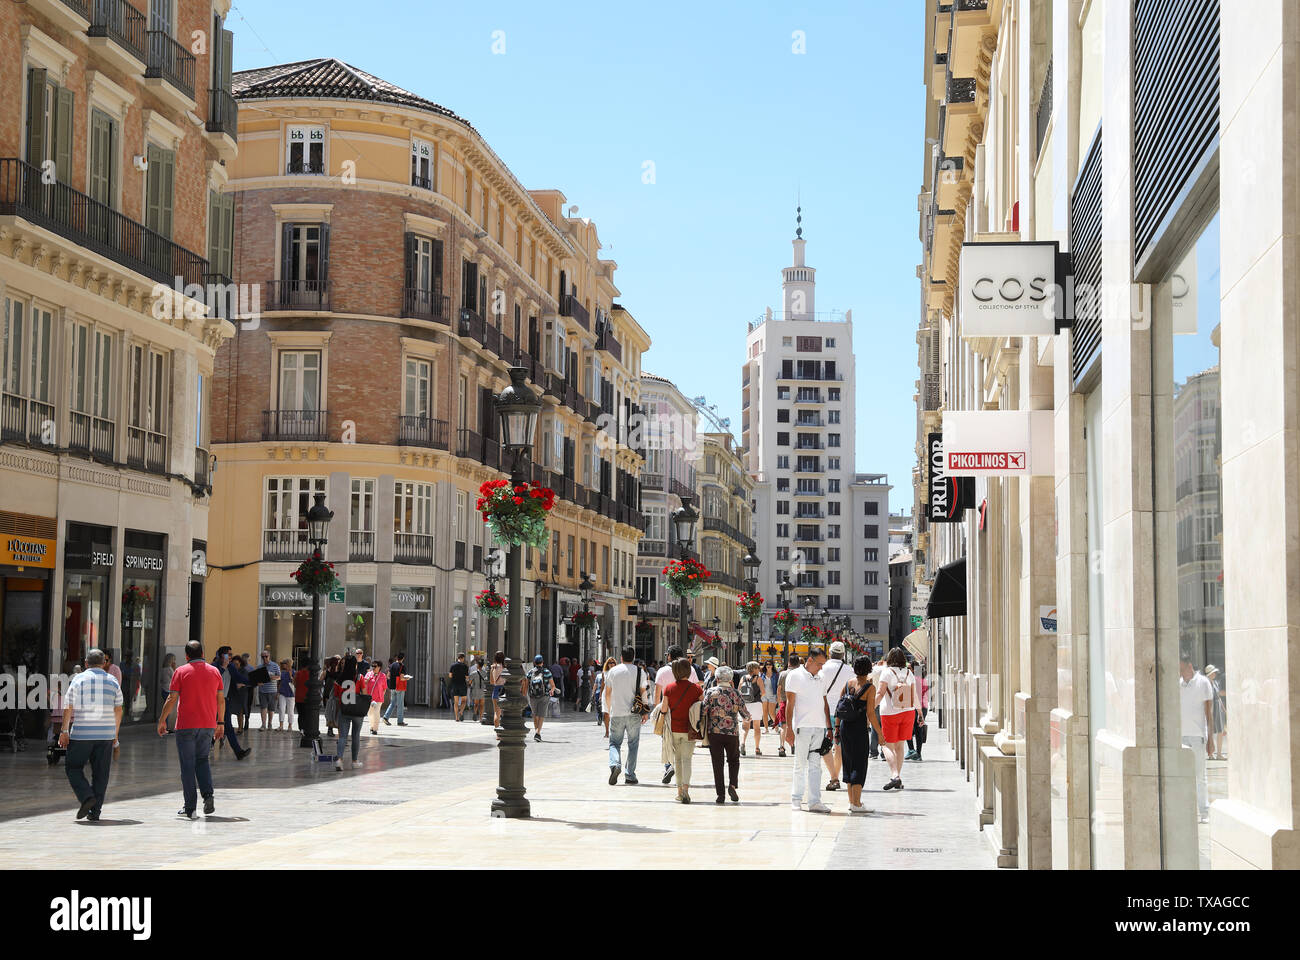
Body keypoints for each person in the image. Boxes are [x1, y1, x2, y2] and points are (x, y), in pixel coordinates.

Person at [156, 640, 226, 819]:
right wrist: (221, 723)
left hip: (186, 725)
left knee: (187, 765)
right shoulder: (215, 671)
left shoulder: (180, 671)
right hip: (208, 724)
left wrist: (162, 720)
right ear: (203, 652)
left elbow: (172, 699)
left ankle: (190, 807)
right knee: (202, 760)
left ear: (187, 656)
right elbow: (221, 700)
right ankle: (208, 796)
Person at [59, 649, 123, 822]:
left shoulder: (78, 679)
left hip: (82, 734)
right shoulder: (113, 681)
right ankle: (95, 812)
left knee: (73, 767)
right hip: (106, 735)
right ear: (104, 663)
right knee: (101, 774)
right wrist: (115, 735)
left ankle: (87, 797)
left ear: (86, 663)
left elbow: (68, 706)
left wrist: (64, 731)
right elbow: (118, 710)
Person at [784, 646, 831, 812]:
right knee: (800, 764)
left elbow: (824, 702)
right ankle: (796, 799)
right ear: (810, 660)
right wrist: (789, 728)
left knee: (816, 765)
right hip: (802, 727)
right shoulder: (795, 675)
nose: (821, 668)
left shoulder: (821, 676)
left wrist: (829, 726)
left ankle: (814, 801)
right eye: (819, 664)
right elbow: (790, 704)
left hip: (819, 727)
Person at [838, 657, 884, 813]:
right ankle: (857, 804)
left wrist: (837, 728)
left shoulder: (848, 684)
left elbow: (839, 707)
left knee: (848, 763)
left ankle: (852, 802)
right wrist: (880, 733)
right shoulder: (870, 688)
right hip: (859, 729)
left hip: (845, 728)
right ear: (868, 670)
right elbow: (871, 713)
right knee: (859, 764)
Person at [875, 648, 920, 791]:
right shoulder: (909, 673)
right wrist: (920, 712)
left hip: (889, 712)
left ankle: (895, 775)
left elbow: (880, 693)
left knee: (886, 745)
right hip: (908, 712)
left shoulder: (887, 672)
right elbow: (914, 694)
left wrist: (869, 709)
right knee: (900, 746)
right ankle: (898, 778)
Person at [660, 658, 704, 803]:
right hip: (689, 729)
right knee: (687, 759)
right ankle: (686, 789)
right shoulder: (697, 689)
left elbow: (664, 709)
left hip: (674, 729)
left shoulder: (669, 688)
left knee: (677, 760)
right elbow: (701, 707)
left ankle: (679, 791)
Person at [703, 666, 747, 804]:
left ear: (717, 679)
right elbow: (745, 713)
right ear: (730, 680)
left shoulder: (711, 692)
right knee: (733, 760)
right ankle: (732, 785)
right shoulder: (735, 693)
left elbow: (703, 710)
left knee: (717, 763)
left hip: (714, 732)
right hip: (732, 732)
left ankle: (720, 794)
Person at [1179, 653, 1214, 823]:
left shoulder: (1203, 683)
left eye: (1181, 668)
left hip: (1198, 736)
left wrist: (1211, 739)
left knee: (1200, 777)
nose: (1179, 672)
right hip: (1181, 737)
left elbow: (1209, 712)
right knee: (1182, 777)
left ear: (1189, 665)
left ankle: (1204, 812)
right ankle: (1185, 811)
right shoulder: (1178, 684)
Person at [604, 646, 646, 785]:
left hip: (616, 712)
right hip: (634, 713)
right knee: (633, 744)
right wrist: (645, 711)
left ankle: (615, 764)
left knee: (614, 743)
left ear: (621, 657)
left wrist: (609, 710)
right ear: (633, 657)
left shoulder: (613, 671)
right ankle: (630, 774)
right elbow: (643, 692)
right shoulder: (640, 671)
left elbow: (607, 693)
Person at [820, 641, 853, 791]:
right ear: (843, 654)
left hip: (825, 713)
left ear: (829, 653)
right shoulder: (849, 670)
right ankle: (836, 776)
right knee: (838, 748)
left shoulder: (823, 669)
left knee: (825, 747)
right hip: (843, 713)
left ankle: (833, 777)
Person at [653, 644, 685, 784]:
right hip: (684, 710)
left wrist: (656, 710)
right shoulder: (688, 669)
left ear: (669, 656)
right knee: (682, 740)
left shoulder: (662, 671)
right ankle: (679, 767)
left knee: (666, 739)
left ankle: (669, 766)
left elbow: (657, 692)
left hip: (667, 709)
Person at [334, 647, 369, 771]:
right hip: (357, 710)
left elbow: (336, 696)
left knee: (342, 736)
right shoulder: (359, 677)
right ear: (355, 665)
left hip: (344, 709)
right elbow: (364, 693)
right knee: (355, 736)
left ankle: (339, 760)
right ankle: (354, 761)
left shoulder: (339, 679)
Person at [213, 649, 249, 760]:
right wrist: (223, 667)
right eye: (228, 654)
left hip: (225, 701)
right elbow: (213, 678)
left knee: (227, 727)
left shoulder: (231, 667)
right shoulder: (214, 667)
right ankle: (238, 752)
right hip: (214, 701)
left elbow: (240, 678)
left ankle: (238, 752)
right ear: (221, 655)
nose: (231, 657)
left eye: (231, 655)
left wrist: (255, 681)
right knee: (214, 726)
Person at [524, 656, 557, 741]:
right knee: (541, 715)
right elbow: (553, 686)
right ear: (542, 662)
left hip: (532, 696)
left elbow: (526, 686)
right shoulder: (547, 672)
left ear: (534, 663)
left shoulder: (530, 672)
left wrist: (524, 695)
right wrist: (552, 691)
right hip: (544, 696)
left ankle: (536, 732)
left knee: (535, 715)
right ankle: (538, 733)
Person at [738, 661, 765, 756]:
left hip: (746, 705)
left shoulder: (743, 678)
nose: (759, 669)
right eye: (757, 668)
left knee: (745, 727)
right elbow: (763, 692)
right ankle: (757, 748)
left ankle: (742, 743)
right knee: (757, 727)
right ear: (754, 669)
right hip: (756, 704)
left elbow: (739, 690)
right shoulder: (759, 679)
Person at [776, 654, 801, 757]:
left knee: (784, 726)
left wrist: (779, 702)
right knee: (796, 725)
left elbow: (779, 689)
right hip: (797, 702)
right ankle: (794, 744)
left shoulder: (783, 674)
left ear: (789, 663)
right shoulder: (800, 674)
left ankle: (782, 747)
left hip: (784, 701)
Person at [906, 662, 931, 761]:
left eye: (909, 668)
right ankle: (918, 753)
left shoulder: (912, 680)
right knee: (918, 731)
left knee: (908, 729)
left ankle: (911, 750)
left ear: (912, 669)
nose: (907, 670)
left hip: (914, 707)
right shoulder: (923, 680)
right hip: (923, 707)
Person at [1205, 664, 1227, 760]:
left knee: (1220, 731)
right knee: (1211, 731)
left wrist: (1223, 709)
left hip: (1217, 708)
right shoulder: (1206, 683)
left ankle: (1218, 753)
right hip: (1211, 707)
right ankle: (1211, 753)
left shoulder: (1215, 683)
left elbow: (1218, 697)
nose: (1215, 674)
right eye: (1213, 673)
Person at [384, 654, 411, 726]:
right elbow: (402, 678)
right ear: (403, 658)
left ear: (397, 658)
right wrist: (407, 678)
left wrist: (393, 679)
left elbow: (388, 676)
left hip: (392, 687)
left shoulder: (392, 665)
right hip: (399, 687)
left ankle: (386, 717)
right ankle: (400, 721)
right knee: (400, 704)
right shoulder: (402, 666)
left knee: (392, 703)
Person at [256, 649, 280, 730]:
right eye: (263, 657)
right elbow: (257, 678)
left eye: (266, 656)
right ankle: (263, 725)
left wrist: (270, 677)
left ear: (269, 656)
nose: (264, 658)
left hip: (272, 690)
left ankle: (270, 723)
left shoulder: (275, 665)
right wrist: (258, 682)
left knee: (271, 709)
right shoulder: (259, 667)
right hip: (262, 690)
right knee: (263, 707)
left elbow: (279, 677)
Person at [227, 655, 251, 735]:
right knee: (229, 710)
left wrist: (242, 684)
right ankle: (228, 726)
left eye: (237, 664)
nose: (235, 666)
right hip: (232, 693)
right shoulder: (230, 670)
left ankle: (240, 728)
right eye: (234, 664)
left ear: (240, 663)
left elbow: (248, 682)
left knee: (240, 711)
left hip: (242, 693)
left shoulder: (244, 671)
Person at [364, 659, 388, 735]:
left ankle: (375, 729)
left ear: (379, 667)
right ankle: (371, 726)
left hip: (378, 699)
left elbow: (384, 688)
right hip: (369, 698)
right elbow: (363, 684)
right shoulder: (368, 674)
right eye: (372, 666)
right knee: (370, 713)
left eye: (375, 666)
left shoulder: (383, 676)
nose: (373, 667)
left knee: (376, 713)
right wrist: (367, 680)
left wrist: (381, 696)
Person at [596, 656, 616, 733]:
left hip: (614, 694)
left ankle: (613, 730)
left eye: (613, 662)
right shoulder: (604, 673)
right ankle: (607, 731)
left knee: (614, 713)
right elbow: (603, 685)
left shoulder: (617, 672)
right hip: (606, 694)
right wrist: (600, 695)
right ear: (607, 664)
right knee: (606, 713)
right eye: (610, 663)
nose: (611, 664)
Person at [448, 653, 470, 721]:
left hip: (454, 685)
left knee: (456, 702)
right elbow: (467, 677)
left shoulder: (453, 665)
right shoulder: (465, 666)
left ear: (458, 658)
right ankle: (461, 712)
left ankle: (456, 718)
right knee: (464, 701)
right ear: (463, 658)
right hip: (462, 685)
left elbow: (450, 676)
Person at [276, 659, 294, 731]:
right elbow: (279, 683)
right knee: (281, 709)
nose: (283, 665)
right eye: (283, 664)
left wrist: (291, 676)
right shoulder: (282, 673)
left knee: (290, 711)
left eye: (285, 663)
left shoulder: (294, 672)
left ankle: (290, 726)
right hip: (282, 693)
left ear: (289, 664)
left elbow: (294, 683)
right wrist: (278, 692)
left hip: (291, 694)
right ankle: (281, 726)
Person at [761, 661, 779, 731]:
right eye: (767, 664)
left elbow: (778, 686)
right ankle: (766, 729)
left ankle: (776, 726)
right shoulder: (762, 674)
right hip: (764, 695)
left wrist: (778, 696)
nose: (768, 665)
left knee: (771, 712)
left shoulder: (776, 675)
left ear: (772, 666)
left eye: (770, 664)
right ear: (765, 666)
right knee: (764, 712)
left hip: (773, 695)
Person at [489, 651, 505, 726]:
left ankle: (497, 733)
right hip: (504, 690)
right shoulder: (505, 667)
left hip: (496, 690)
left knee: (496, 713)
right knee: (505, 713)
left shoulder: (493, 667)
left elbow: (492, 682)